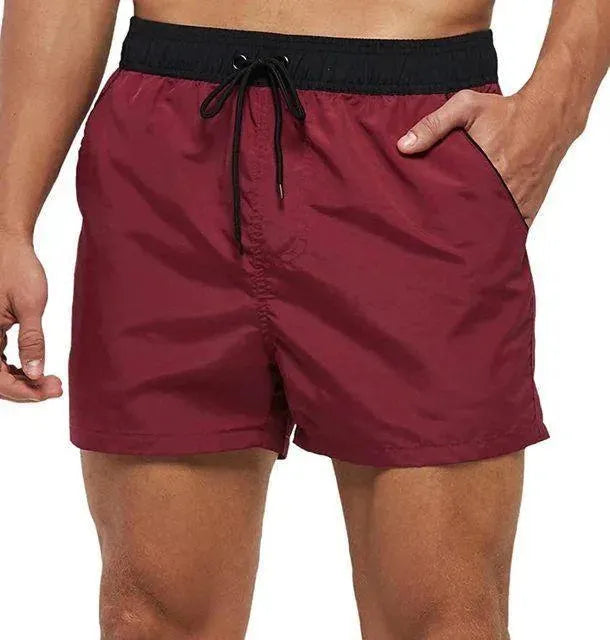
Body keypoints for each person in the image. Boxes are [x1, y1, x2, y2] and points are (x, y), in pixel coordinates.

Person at [0, 0, 608, 637]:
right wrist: (10, 221)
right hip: (167, 156)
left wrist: (552, 112)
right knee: (149, 617)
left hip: (412, 143)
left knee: (445, 616)